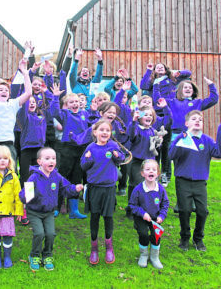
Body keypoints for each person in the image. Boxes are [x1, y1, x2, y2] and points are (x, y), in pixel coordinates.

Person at [169, 110, 221, 252]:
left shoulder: (206, 140)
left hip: (200, 182)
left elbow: (219, 153)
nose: (197, 121)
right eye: (194, 119)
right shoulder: (182, 138)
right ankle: (184, 238)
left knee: (202, 211)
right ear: (187, 123)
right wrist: (178, 141)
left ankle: (198, 239)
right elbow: (171, 155)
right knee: (185, 210)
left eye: (200, 119)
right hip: (183, 181)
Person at [19, 147, 83, 271]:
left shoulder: (56, 176)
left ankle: (47, 255)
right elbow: (24, 195)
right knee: (39, 233)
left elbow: (65, 188)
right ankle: (34, 256)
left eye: (53, 158)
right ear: (39, 162)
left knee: (50, 234)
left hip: (48, 212)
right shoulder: (34, 177)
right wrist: (26, 196)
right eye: (47, 158)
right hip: (34, 212)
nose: (51, 161)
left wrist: (75, 189)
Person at [81, 119, 126, 265]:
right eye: (101, 130)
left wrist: (116, 155)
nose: (104, 132)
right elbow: (84, 166)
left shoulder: (113, 145)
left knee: (108, 217)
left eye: (107, 130)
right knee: (95, 217)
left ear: (110, 133)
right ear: (95, 132)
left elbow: (122, 159)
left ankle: (109, 247)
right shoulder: (90, 147)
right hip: (94, 188)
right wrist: (87, 160)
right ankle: (94, 249)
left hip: (109, 188)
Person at [50, 84, 92, 219]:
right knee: (63, 175)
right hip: (68, 147)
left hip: (82, 149)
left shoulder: (85, 114)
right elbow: (54, 112)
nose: (75, 104)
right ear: (67, 105)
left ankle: (74, 209)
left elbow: (94, 123)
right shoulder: (65, 114)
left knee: (76, 176)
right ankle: (56, 206)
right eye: (71, 102)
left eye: (77, 102)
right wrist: (56, 97)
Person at [125, 102, 172, 219]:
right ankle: (131, 209)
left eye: (151, 115)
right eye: (145, 115)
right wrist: (134, 121)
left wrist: (158, 142)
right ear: (140, 117)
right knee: (136, 185)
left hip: (149, 162)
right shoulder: (137, 128)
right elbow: (131, 135)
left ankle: (147, 208)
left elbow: (169, 120)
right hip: (137, 161)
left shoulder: (152, 130)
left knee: (149, 185)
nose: (149, 117)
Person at [128, 159, 169, 269]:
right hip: (141, 217)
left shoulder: (160, 189)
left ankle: (154, 257)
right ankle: (144, 255)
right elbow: (132, 205)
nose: (151, 171)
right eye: (147, 169)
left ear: (158, 173)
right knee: (144, 234)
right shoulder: (138, 189)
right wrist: (142, 213)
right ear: (142, 173)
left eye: (154, 169)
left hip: (155, 217)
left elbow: (165, 203)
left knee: (156, 235)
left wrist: (162, 215)